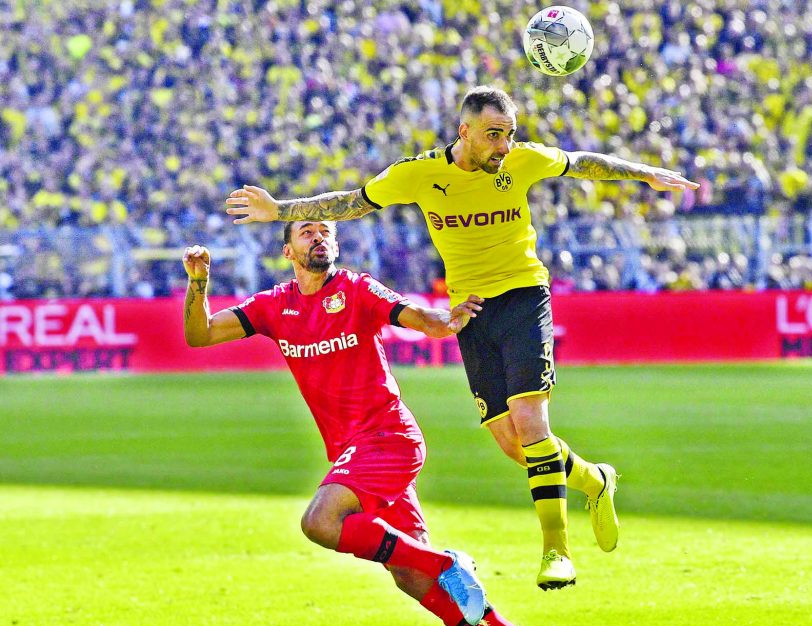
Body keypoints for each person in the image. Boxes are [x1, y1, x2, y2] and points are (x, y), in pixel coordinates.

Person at [225, 85, 700, 589]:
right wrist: (282, 211)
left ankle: (557, 550)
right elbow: (352, 202)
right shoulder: (419, 173)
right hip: (471, 312)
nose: (503, 146)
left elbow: (582, 162)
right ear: (464, 131)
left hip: (522, 294)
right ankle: (592, 478)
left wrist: (643, 172)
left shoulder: (523, 161)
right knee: (514, 444)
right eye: (494, 135)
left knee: (529, 421)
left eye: (509, 135)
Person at [181, 219, 528, 626]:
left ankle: (446, 562)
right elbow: (199, 335)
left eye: (326, 231)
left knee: (320, 522)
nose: (319, 238)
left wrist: (443, 320)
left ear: (338, 245)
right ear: (288, 251)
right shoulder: (272, 306)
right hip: (355, 451)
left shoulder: (356, 289)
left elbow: (413, 314)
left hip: (388, 437)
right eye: (307, 232)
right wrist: (198, 282)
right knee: (411, 578)